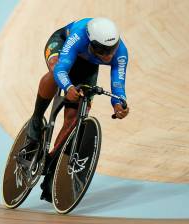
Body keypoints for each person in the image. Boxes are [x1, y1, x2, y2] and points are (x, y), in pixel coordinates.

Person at [26, 17, 130, 202]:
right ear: (90, 42)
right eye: (102, 50)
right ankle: (36, 118)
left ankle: (52, 164)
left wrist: (119, 104)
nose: (107, 56)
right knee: (55, 69)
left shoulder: (120, 53)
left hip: (88, 64)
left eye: (110, 50)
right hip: (63, 46)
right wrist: (68, 88)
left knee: (74, 118)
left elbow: (118, 85)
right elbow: (62, 70)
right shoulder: (78, 36)